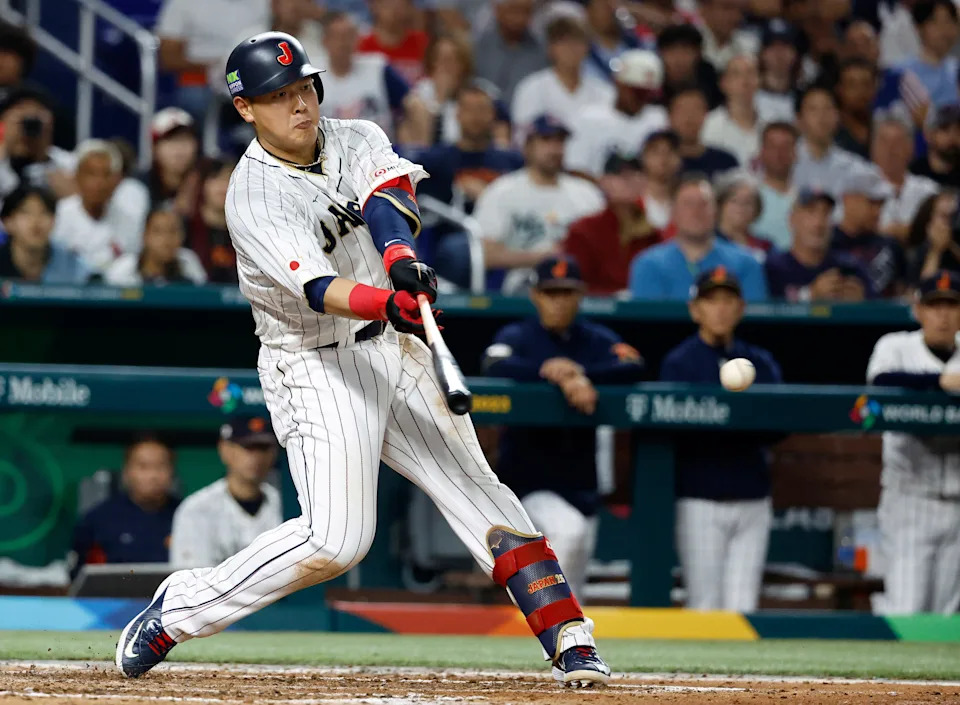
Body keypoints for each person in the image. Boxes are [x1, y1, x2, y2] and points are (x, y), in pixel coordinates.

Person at [115, 31, 611, 688]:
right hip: (313, 362)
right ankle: (180, 608)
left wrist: (402, 261)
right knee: (337, 540)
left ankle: (569, 634)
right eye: (279, 96)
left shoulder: (355, 137)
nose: (298, 105)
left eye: (303, 88)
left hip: (390, 346)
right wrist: (390, 301)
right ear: (245, 109)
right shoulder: (252, 196)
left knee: (477, 486)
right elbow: (320, 290)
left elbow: (387, 200)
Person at [484, 255, 644, 597]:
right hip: (529, 484)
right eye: (550, 293)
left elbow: (633, 364)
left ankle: (565, 643)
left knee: (577, 579)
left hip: (581, 483)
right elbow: (494, 363)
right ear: (536, 296)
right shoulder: (520, 335)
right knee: (568, 535)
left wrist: (581, 374)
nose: (558, 301)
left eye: (566, 293)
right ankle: (548, 626)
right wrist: (549, 370)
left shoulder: (594, 339)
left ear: (580, 295)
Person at [660, 267, 782, 612]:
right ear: (695, 309)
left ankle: (740, 671)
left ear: (741, 308)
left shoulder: (760, 362)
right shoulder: (680, 363)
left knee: (743, 605)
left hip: (752, 497)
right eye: (711, 300)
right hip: (700, 499)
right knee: (704, 603)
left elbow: (779, 424)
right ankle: (700, 670)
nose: (721, 309)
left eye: (728, 300)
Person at [867, 270, 960, 615]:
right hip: (910, 499)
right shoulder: (895, 347)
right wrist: (941, 381)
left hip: (958, 503)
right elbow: (881, 382)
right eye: (935, 305)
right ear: (919, 309)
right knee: (906, 609)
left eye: (952, 305)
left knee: (945, 616)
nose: (944, 314)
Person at [474, 114, 605, 293]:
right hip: (523, 283)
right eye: (546, 140)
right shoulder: (502, 191)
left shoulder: (588, 194)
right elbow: (484, 255)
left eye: (560, 142)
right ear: (527, 146)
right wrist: (543, 257)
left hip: (579, 284)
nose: (554, 149)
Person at [628, 174, 767, 301]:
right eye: (688, 204)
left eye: (704, 204)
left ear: (716, 211)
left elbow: (754, 321)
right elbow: (648, 322)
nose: (696, 212)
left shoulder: (746, 263)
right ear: (673, 212)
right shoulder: (648, 264)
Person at [170, 416, 282, 569]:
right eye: (247, 447)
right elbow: (191, 583)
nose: (256, 457)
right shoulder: (196, 509)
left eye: (263, 448)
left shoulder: (286, 505)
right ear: (225, 449)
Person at [70, 434, 180, 580]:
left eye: (161, 466)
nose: (153, 475)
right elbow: (78, 576)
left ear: (172, 471)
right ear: (127, 471)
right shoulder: (98, 519)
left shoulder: (188, 516)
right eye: (143, 466)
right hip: (111, 600)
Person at [155, 0, 270, 121]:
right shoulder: (183, 3)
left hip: (252, 77)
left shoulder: (263, 3)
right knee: (194, 99)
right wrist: (217, 67)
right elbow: (168, 58)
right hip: (202, 79)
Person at [563, 153, 660, 295]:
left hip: (643, 312)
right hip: (595, 313)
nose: (629, 180)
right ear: (603, 181)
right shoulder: (583, 231)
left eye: (636, 173)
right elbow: (575, 285)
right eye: (620, 174)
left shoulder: (652, 234)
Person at [564, 49, 667, 177]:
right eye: (638, 93)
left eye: (648, 94)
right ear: (619, 84)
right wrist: (610, 189)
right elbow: (574, 168)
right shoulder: (588, 118)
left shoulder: (659, 119)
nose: (642, 100)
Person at [50, 139, 146, 276]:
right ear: (77, 176)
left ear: (117, 180)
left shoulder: (128, 221)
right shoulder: (58, 216)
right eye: (91, 173)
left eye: (106, 174)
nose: (99, 182)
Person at [511, 16, 614, 134]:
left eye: (577, 41)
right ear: (551, 48)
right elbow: (523, 137)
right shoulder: (531, 88)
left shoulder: (604, 92)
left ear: (587, 48)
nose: (571, 48)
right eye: (564, 42)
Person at [765, 189, 874, 302]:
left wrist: (861, 303)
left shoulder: (850, 267)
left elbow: (879, 311)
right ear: (792, 219)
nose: (819, 223)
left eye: (826, 213)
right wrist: (809, 295)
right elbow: (763, 312)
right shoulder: (774, 268)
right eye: (810, 212)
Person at [318, 12, 414, 140]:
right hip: (331, 154)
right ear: (325, 41)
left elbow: (413, 102)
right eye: (338, 37)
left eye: (349, 36)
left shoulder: (378, 68)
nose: (344, 43)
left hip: (379, 153)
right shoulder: (313, 75)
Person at [832, 165, 908, 298]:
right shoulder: (827, 245)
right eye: (872, 203)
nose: (877, 211)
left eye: (881, 204)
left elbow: (904, 294)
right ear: (848, 199)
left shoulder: (891, 246)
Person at [0, 185, 88, 283]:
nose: (35, 222)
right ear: (7, 222)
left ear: (54, 220)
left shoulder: (72, 266)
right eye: (26, 212)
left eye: (44, 212)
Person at [0, 86, 74, 202]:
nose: (29, 126)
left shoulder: (66, 163)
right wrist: (6, 143)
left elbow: (77, 206)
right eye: (20, 113)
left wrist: (44, 157)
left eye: (36, 120)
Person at [792, 84, 866, 198]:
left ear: (838, 117)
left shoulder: (852, 166)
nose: (821, 116)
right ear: (799, 119)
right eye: (813, 109)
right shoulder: (787, 162)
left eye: (828, 108)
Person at [873, 116, 939, 243]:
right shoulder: (859, 190)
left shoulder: (928, 191)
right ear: (873, 148)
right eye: (884, 142)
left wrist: (905, 231)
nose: (890, 150)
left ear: (910, 148)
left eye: (897, 143)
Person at [104, 207, 208, 287]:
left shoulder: (189, 262)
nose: (167, 239)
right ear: (145, 236)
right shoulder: (124, 268)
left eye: (173, 231)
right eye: (158, 232)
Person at [473, 0, 548, 106]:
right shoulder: (479, 47)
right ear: (497, 10)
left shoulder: (542, 52)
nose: (519, 18)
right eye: (514, 10)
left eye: (526, 12)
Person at [410, 32, 478, 146]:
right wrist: (440, 100)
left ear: (464, 64)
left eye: (450, 60)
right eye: (438, 60)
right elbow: (423, 142)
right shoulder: (420, 92)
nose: (444, 67)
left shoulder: (478, 92)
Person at [702, 53, 762, 167]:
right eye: (736, 74)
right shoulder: (708, 125)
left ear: (759, 81)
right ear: (723, 83)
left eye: (750, 73)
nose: (745, 81)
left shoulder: (770, 125)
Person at [897, 0, 960, 109]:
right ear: (919, 27)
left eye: (949, 21)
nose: (944, 30)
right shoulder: (900, 72)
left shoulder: (956, 68)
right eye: (935, 22)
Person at [668, 85, 738, 181]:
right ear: (670, 116)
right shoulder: (659, 165)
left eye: (696, 109)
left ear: (706, 114)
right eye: (682, 110)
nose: (689, 117)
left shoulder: (726, 162)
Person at [139, 108, 200, 212]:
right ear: (154, 148)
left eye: (185, 139)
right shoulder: (138, 187)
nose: (180, 148)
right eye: (171, 140)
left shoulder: (205, 184)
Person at [358, 0, 429, 85]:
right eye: (388, 3)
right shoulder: (361, 45)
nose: (394, 8)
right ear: (374, 6)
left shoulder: (423, 43)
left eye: (399, 3)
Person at [752, 121, 798, 250]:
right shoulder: (750, 196)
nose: (779, 154)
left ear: (795, 153)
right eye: (772, 147)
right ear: (761, 152)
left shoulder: (807, 198)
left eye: (785, 147)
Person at [656, 23, 721, 110]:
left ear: (698, 54)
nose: (679, 60)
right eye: (672, 52)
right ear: (661, 54)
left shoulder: (714, 84)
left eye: (686, 52)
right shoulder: (652, 84)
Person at [906, 190, 960, 283]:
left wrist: (951, 245)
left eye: (953, 216)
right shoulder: (920, 251)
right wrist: (936, 250)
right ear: (929, 221)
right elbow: (924, 288)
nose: (949, 222)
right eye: (944, 216)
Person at [715, 172, 771, 261]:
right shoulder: (707, 244)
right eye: (734, 201)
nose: (741, 206)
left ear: (757, 208)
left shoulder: (766, 247)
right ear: (720, 205)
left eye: (748, 202)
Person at [582, 0, 641, 81]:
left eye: (612, 7)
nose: (611, 12)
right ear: (588, 11)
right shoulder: (581, 49)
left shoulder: (633, 42)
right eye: (604, 7)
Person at [834, 59, 880, 159]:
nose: (860, 91)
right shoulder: (830, 133)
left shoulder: (884, 129)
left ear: (875, 89)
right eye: (852, 85)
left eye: (866, 84)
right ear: (839, 90)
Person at [695, 0, 759, 73]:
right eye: (727, 8)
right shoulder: (689, 42)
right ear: (705, 9)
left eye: (740, 10)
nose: (736, 16)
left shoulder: (748, 48)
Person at [755, 19, 798, 123]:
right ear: (762, 53)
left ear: (794, 54)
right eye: (773, 47)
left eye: (785, 46)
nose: (779, 53)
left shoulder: (803, 99)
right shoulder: (749, 95)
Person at [639, 129, 681, 230]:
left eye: (670, 152)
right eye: (656, 152)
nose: (663, 158)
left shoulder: (687, 201)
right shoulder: (632, 203)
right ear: (644, 158)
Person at [910, 103, 960, 188]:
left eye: (958, 130)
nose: (952, 136)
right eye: (945, 129)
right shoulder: (913, 175)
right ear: (928, 134)